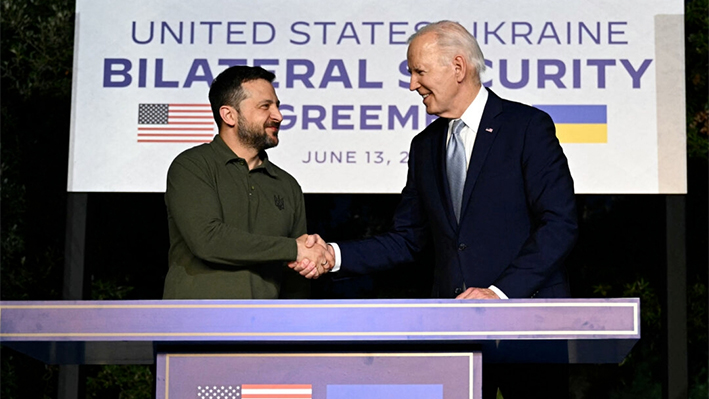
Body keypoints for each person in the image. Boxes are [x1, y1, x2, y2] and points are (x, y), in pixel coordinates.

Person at [293, 21, 578, 398]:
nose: (412, 84)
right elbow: (408, 239)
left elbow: (559, 223)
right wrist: (334, 254)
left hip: (528, 321)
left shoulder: (526, 127)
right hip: (454, 332)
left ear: (458, 68)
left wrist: (499, 293)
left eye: (419, 71)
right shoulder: (425, 145)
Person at [163, 65, 333, 299]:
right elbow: (208, 241)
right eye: (265, 106)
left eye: (277, 106)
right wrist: (294, 249)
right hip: (195, 327)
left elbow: (295, 274)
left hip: (263, 330)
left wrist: (294, 328)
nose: (278, 116)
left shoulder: (287, 185)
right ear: (229, 115)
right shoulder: (192, 166)